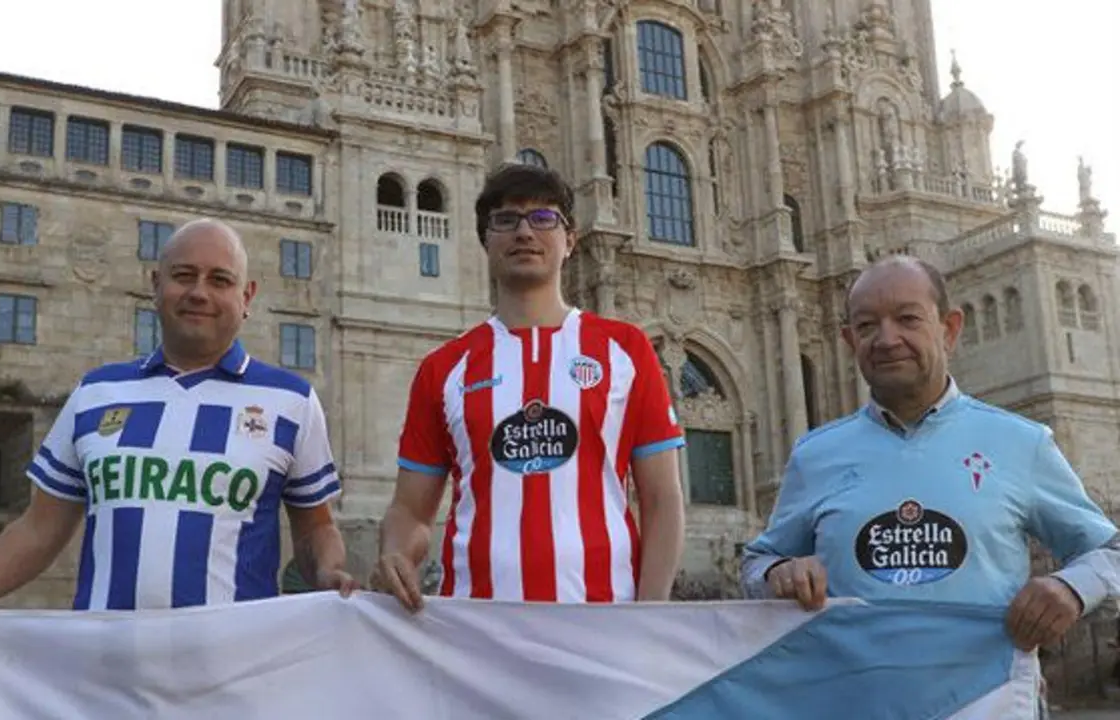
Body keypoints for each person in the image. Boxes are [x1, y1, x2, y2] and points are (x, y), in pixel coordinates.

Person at [0, 218, 355, 653]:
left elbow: (314, 529)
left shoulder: (291, 401)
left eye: (219, 279)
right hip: (104, 679)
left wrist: (330, 570)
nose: (199, 292)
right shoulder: (97, 391)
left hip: (236, 678)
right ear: (155, 285)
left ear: (246, 297)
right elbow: (37, 533)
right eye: (184, 276)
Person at [740, 254, 1119, 660]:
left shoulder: (1021, 443)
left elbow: (1110, 551)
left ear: (950, 329)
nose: (887, 340)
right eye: (867, 326)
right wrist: (777, 574)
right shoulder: (814, 455)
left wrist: (1072, 588)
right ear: (850, 341)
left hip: (983, 703)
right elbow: (757, 564)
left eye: (908, 319)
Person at [371, 163, 687, 610]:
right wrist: (396, 554)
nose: (524, 232)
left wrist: (651, 615)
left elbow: (662, 499)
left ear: (570, 240)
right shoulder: (443, 369)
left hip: (605, 624)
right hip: (478, 629)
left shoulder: (626, 350)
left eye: (543, 218)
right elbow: (411, 510)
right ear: (485, 240)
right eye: (506, 220)